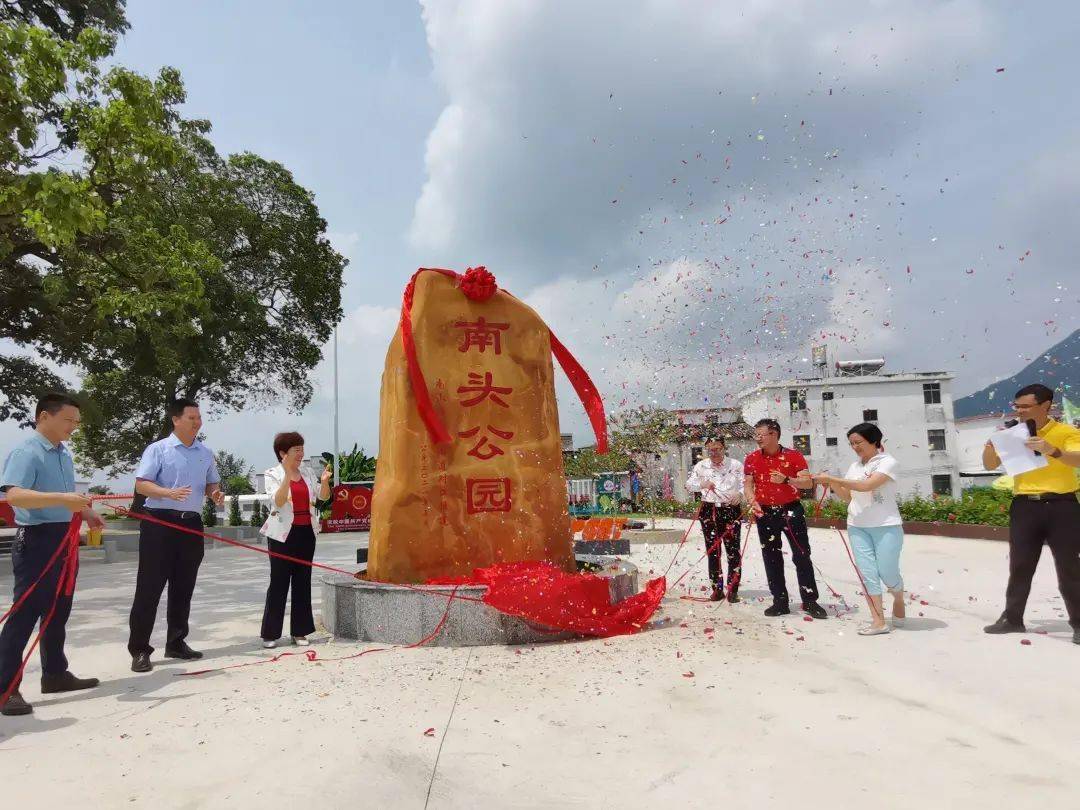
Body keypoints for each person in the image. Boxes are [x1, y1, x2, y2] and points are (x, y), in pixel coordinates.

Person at [0, 393, 102, 717]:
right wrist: (62, 498)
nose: (73, 427)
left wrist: (84, 513)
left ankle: (55, 674)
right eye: (68, 420)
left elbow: (66, 500)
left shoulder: (63, 455)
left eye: (77, 422)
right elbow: (14, 495)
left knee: (59, 610)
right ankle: (6, 688)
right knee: (25, 615)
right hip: (36, 542)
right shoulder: (26, 452)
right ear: (44, 416)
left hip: (64, 538)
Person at [128, 399, 224, 673]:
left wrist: (214, 493)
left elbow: (211, 482)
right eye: (192, 417)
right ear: (176, 419)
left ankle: (176, 642)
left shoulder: (205, 452)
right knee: (149, 589)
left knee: (184, 587)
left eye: (199, 417)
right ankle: (140, 650)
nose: (197, 421)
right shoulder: (158, 449)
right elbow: (142, 485)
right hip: (159, 524)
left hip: (191, 525)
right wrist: (167, 493)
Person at [981, 384, 1080, 644]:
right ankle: (1012, 619)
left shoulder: (1066, 432)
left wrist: (1052, 450)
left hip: (1062, 505)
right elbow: (990, 464)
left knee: (1069, 566)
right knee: (1020, 565)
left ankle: (1079, 623)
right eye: (1018, 406)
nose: (1020, 411)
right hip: (1025, 505)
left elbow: (1077, 458)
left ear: (1046, 405)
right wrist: (991, 445)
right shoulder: (1013, 434)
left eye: (1026, 406)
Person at [812, 423, 905, 636]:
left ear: (874, 440)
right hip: (857, 526)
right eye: (852, 443)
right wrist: (832, 485)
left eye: (858, 442)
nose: (855, 447)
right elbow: (849, 497)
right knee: (868, 573)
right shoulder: (854, 467)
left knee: (888, 572)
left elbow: (867, 486)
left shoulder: (888, 462)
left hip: (886, 526)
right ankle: (878, 621)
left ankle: (898, 597)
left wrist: (833, 479)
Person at [744, 419, 827, 619]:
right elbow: (748, 484)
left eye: (760, 434)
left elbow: (807, 483)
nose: (757, 439)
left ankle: (809, 600)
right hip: (765, 512)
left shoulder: (794, 456)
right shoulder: (752, 458)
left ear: (774, 434)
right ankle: (779, 601)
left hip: (791, 510)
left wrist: (787, 479)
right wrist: (751, 500)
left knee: (801, 554)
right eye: (756, 435)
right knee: (771, 556)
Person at [260, 432, 331, 648]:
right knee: (279, 582)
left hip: (306, 533)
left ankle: (300, 632)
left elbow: (323, 498)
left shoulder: (308, 473)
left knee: (302, 581)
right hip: (283, 535)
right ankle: (270, 634)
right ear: (283, 453)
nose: (301, 453)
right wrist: (286, 475)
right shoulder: (272, 474)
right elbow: (279, 501)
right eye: (296, 450)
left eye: (302, 448)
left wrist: (325, 482)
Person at [685, 437, 744, 602]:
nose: (714, 452)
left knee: (733, 551)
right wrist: (702, 484)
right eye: (710, 450)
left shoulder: (736, 465)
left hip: (731, 509)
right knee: (713, 550)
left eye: (717, 449)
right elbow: (689, 485)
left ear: (724, 448)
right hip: (709, 509)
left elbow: (745, 484)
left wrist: (740, 494)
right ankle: (717, 589)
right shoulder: (701, 466)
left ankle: (733, 590)